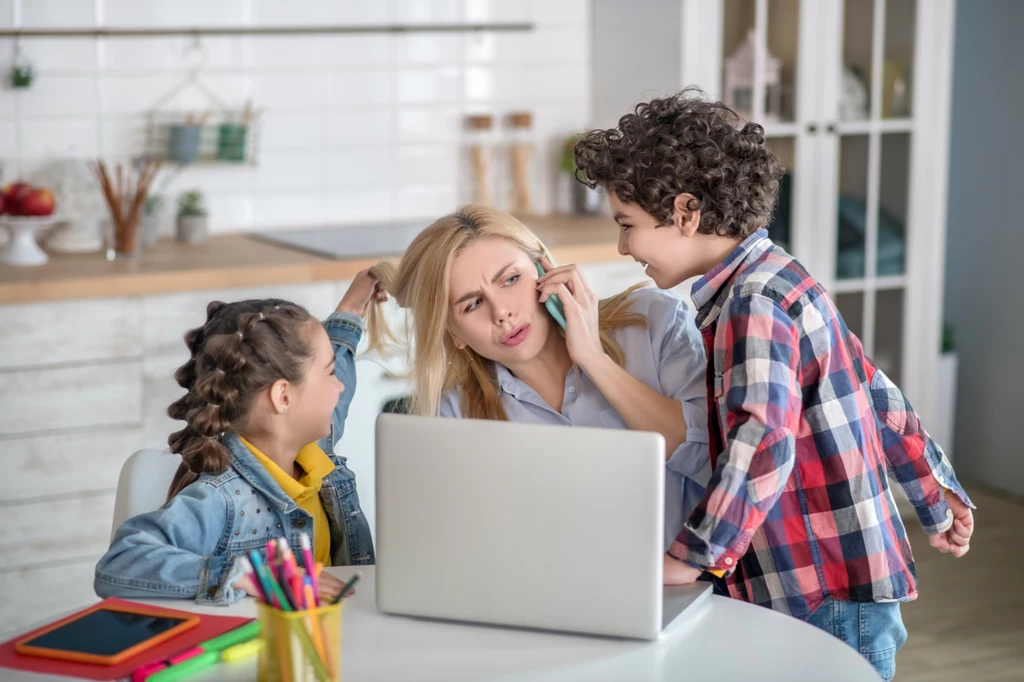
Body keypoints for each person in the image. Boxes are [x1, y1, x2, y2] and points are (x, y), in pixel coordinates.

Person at [573, 88, 975, 681]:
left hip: (818, 590)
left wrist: (693, 555)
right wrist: (933, 489)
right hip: (843, 581)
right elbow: (871, 391)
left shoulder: (751, 303)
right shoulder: (782, 277)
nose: (622, 246)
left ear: (685, 212)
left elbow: (762, 439)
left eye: (627, 225)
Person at [367, 205, 711, 546]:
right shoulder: (454, 416)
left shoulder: (654, 322)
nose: (502, 312)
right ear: (454, 334)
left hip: (688, 593)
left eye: (511, 280)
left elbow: (707, 459)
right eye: (472, 304)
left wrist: (594, 359)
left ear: (545, 269)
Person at [94, 272, 386, 604]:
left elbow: (338, 379)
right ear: (283, 397)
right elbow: (121, 563)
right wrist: (247, 576)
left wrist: (352, 309)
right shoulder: (221, 499)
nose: (340, 386)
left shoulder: (313, 449)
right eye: (330, 373)